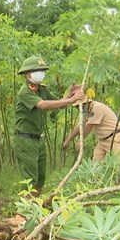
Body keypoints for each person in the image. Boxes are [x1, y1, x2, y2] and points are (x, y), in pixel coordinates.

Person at [14, 56, 85, 196]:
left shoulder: (41, 89)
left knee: (40, 179)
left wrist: (71, 93)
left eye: (42, 70)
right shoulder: (25, 91)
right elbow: (43, 105)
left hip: (38, 140)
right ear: (27, 73)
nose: (41, 73)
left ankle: (35, 207)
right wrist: (72, 100)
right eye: (37, 70)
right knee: (30, 180)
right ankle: (25, 210)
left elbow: (58, 103)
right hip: (25, 140)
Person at [62, 97, 120, 161]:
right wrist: (68, 140)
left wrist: (80, 141)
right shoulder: (87, 112)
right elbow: (80, 126)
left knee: (118, 164)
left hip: (114, 137)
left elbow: (89, 126)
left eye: (80, 106)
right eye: (77, 107)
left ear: (86, 103)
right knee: (96, 164)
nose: (79, 108)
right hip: (102, 140)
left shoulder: (97, 108)